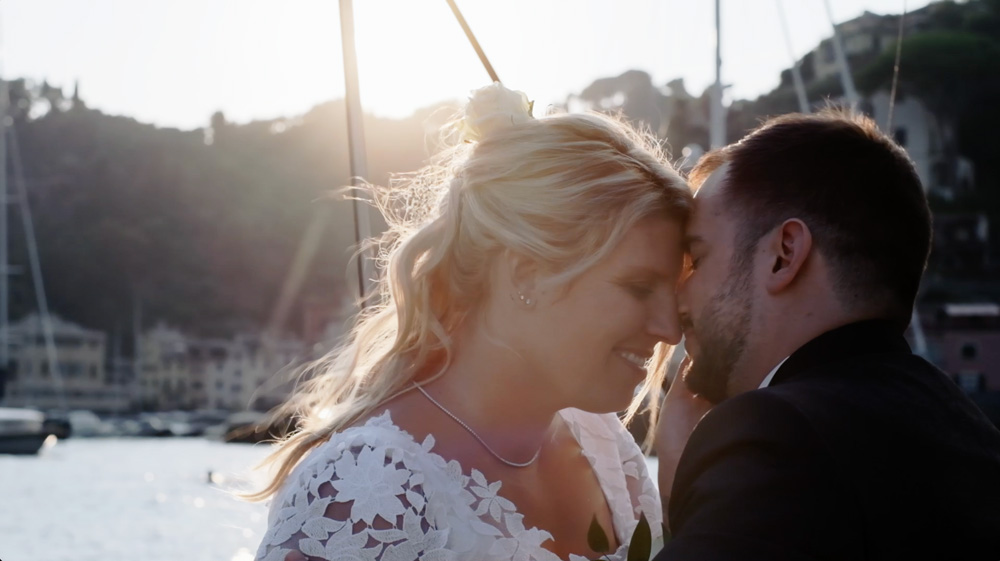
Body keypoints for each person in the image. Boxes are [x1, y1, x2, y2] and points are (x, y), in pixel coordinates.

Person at [252, 82, 693, 561]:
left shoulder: (606, 448)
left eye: (672, 294)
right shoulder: (368, 489)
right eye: (638, 287)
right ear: (527, 273)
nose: (670, 329)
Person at [653, 109, 1000, 560]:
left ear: (784, 254)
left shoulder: (777, 437)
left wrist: (685, 493)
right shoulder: (971, 434)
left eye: (697, 259)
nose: (678, 295)